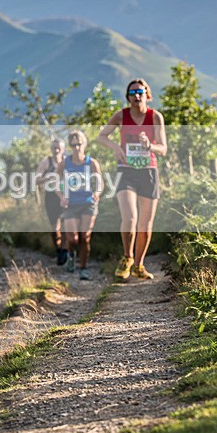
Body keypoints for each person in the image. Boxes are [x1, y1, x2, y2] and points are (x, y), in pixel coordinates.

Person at [97, 78, 167, 281]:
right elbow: (102, 136)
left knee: (146, 224)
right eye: (132, 92)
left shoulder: (155, 117)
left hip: (148, 171)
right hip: (126, 171)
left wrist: (149, 147)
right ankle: (127, 257)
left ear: (147, 94)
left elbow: (163, 148)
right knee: (130, 218)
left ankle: (139, 265)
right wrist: (117, 148)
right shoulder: (121, 115)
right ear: (127, 97)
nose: (136, 95)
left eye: (140, 91)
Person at [56, 130, 102, 280]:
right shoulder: (65, 163)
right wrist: (62, 197)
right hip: (71, 204)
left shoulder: (92, 163)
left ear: (84, 144)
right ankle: (70, 255)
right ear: (70, 146)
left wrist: (97, 193)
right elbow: (55, 183)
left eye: (79, 144)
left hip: (88, 203)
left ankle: (83, 268)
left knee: (85, 237)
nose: (77, 148)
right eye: (74, 145)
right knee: (72, 239)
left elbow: (100, 183)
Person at [35, 139, 68, 265]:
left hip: (65, 196)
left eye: (59, 148)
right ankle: (58, 249)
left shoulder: (67, 161)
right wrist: (47, 178)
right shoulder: (46, 162)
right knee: (55, 227)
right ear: (51, 149)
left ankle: (65, 251)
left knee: (66, 225)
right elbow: (36, 180)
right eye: (54, 148)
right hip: (51, 198)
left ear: (63, 149)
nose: (57, 150)